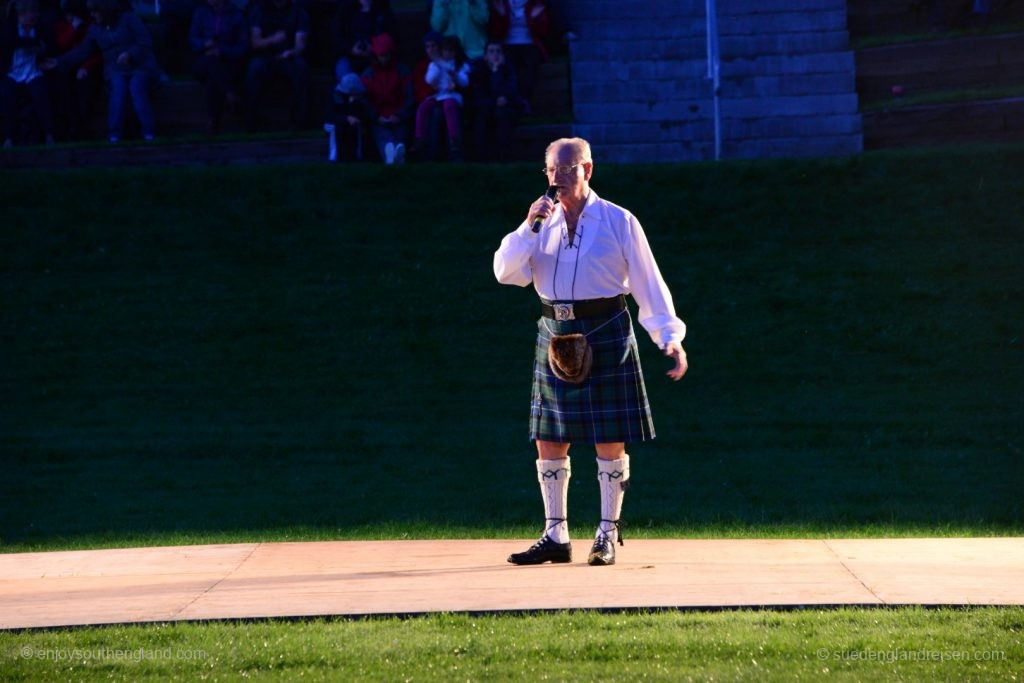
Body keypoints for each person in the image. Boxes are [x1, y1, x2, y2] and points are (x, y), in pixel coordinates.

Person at [493, 137, 688, 567]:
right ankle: (555, 534)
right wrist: (528, 227)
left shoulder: (619, 221)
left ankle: (606, 535)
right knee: (549, 438)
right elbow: (505, 273)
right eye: (551, 171)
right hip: (555, 332)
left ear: (588, 170)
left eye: (566, 169)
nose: (557, 178)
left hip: (605, 331)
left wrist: (668, 337)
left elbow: (646, 280)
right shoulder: (539, 225)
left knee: (608, 437)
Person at [52, 0, 160, 142]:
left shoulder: (129, 19)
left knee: (137, 88)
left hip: (139, 66)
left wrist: (130, 54)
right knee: (118, 90)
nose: (92, 15)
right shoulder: (95, 29)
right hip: (115, 69)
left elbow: (145, 42)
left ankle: (148, 132)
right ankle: (114, 134)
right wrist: (59, 61)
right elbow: (83, 51)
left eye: (95, 11)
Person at [244, 0, 309, 130]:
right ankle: (251, 120)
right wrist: (273, 40)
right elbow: (255, 42)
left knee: (301, 68)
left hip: (288, 56)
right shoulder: (259, 10)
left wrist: (292, 52)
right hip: (264, 56)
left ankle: (301, 120)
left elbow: (300, 43)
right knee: (254, 69)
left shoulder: (297, 11)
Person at [1, 0, 57, 146]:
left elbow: (48, 46)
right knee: (8, 101)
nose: (31, 21)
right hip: (12, 72)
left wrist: (43, 53)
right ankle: (9, 138)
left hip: (33, 71)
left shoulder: (39, 27)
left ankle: (49, 134)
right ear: (21, 15)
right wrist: (34, 43)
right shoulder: (10, 28)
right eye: (29, 18)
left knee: (42, 98)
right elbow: (10, 41)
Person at [188, 0, 247, 134]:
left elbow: (242, 46)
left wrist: (222, 51)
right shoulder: (200, 13)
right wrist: (205, 44)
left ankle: (212, 121)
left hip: (227, 62)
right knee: (211, 62)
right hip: (203, 60)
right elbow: (193, 38)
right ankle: (230, 94)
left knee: (213, 78)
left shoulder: (236, 15)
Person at [51, 0, 101, 141]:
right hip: (67, 66)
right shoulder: (62, 25)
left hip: (86, 67)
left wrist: (85, 67)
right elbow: (62, 45)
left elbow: (95, 51)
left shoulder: (90, 27)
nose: (69, 18)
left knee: (86, 89)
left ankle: (83, 127)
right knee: (64, 88)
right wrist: (73, 29)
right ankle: (72, 126)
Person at [413, 34, 468, 161]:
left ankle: (454, 139)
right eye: (445, 50)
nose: (447, 53)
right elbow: (429, 80)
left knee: (449, 105)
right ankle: (419, 137)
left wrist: (454, 75)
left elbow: (464, 82)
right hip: (439, 96)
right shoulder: (434, 64)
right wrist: (437, 66)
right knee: (423, 107)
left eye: (450, 50)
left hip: (453, 96)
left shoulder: (460, 65)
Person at [360, 31, 410, 164]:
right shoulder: (368, 74)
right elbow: (365, 100)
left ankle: (398, 153)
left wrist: (400, 115)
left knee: (400, 132)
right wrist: (376, 116)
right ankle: (389, 155)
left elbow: (408, 96)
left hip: (398, 115)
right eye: (381, 56)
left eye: (386, 55)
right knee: (382, 134)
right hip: (378, 116)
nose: (384, 59)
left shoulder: (402, 71)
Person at [487, 0, 546, 110]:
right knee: (509, 69)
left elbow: (543, 31)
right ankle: (512, 101)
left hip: (529, 42)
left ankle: (524, 100)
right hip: (508, 43)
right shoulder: (502, 4)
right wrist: (502, 15)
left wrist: (535, 19)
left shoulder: (534, 4)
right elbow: (495, 31)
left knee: (530, 69)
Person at [470, 39, 518, 161]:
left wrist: (497, 72)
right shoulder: (480, 71)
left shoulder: (508, 70)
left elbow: (511, 90)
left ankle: (503, 156)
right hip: (486, 106)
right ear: (486, 56)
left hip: (506, 106)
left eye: (498, 51)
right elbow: (479, 94)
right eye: (491, 51)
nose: (495, 54)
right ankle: (481, 156)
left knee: (501, 113)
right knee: (482, 114)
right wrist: (495, 100)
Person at [330, 0, 393, 82]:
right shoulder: (346, 9)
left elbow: (389, 36)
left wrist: (374, 48)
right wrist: (351, 49)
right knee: (346, 76)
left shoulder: (382, 10)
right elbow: (337, 36)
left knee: (372, 76)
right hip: (349, 57)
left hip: (375, 58)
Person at [323, 71, 370, 162]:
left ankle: (356, 157)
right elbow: (329, 115)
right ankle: (334, 158)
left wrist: (354, 105)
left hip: (349, 123)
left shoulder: (359, 97)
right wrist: (346, 118)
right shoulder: (335, 96)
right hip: (332, 123)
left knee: (355, 128)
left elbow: (363, 113)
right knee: (335, 128)